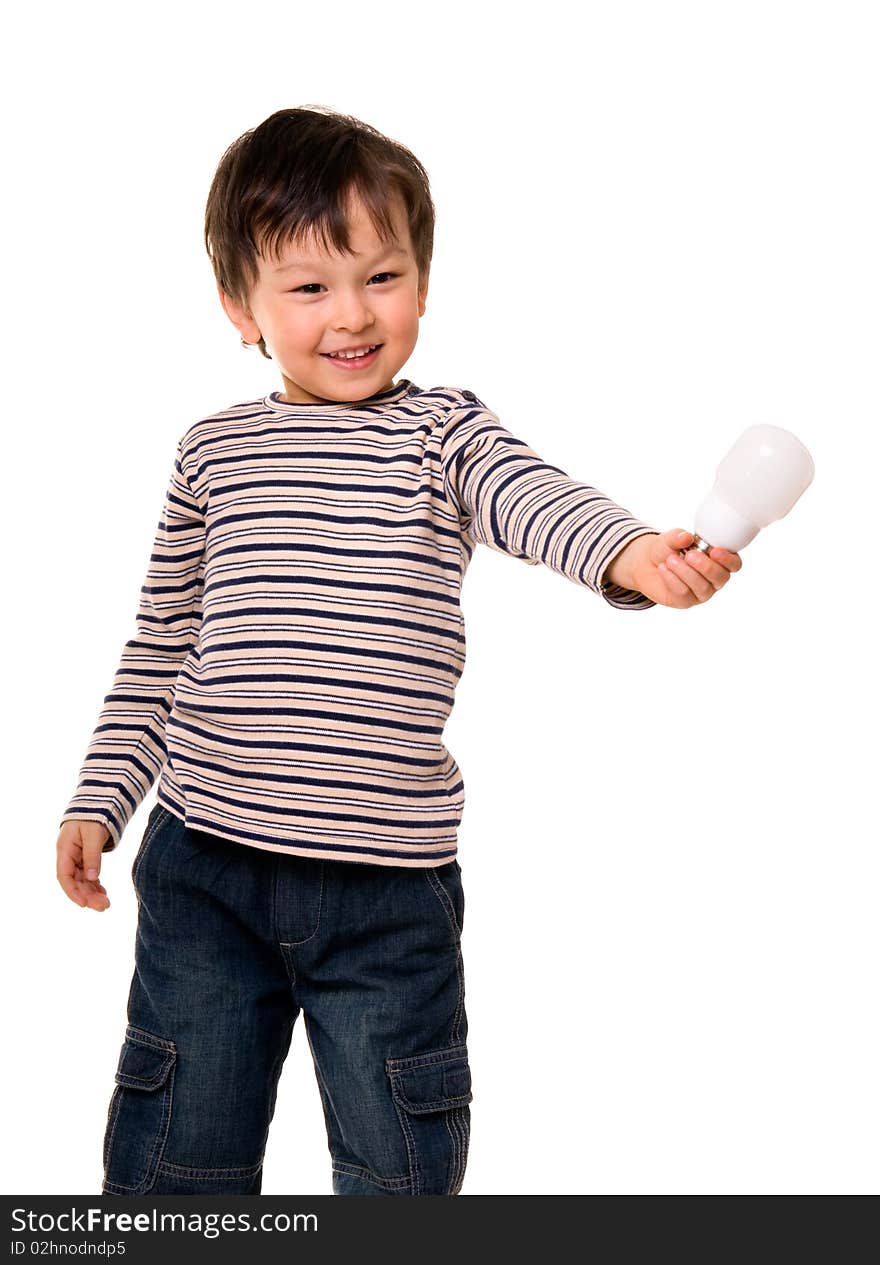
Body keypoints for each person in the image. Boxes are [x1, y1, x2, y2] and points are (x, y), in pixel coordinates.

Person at [56, 107, 742, 1196]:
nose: (351, 315)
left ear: (422, 281)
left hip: (385, 895)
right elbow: (160, 643)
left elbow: (537, 500)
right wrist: (102, 795)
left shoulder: (447, 434)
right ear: (241, 308)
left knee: (399, 1175)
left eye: (381, 276)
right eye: (309, 287)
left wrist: (627, 554)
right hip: (205, 870)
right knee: (178, 1152)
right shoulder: (212, 452)